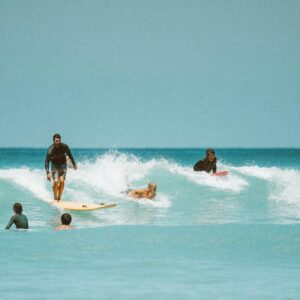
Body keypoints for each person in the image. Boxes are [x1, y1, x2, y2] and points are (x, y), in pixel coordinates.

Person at [45, 133, 77, 201]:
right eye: (57, 141)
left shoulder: (64, 146)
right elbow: (46, 161)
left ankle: (59, 198)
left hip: (63, 164)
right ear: (53, 141)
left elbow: (70, 155)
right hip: (54, 165)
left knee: (62, 181)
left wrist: (74, 164)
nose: (58, 142)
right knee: (56, 181)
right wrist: (48, 173)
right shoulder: (50, 149)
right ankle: (55, 197)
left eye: (59, 140)